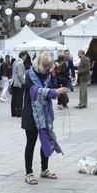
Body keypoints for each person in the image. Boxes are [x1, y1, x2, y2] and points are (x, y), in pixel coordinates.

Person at [22, 52, 68, 184]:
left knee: (46, 140)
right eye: (45, 66)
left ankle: (44, 169)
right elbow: (36, 91)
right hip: (31, 113)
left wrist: (59, 94)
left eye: (49, 66)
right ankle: (29, 173)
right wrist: (54, 92)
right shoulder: (29, 74)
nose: (47, 68)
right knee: (31, 143)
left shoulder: (48, 75)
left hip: (45, 113)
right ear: (39, 63)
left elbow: (50, 89)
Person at [10, 52, 27, 117]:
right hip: (18, 83)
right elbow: (20, 75)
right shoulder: (20, 63)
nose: (25, 57)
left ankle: (13, 112)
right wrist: (24, 82)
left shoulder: (15, 62)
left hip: (13, 82)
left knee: (14, 98)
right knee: (19, 98)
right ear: (23, 56)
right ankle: (19, 113)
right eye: (25, 56)